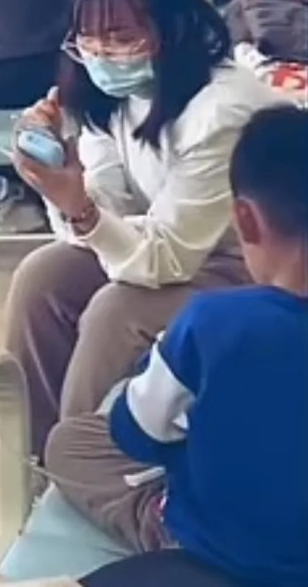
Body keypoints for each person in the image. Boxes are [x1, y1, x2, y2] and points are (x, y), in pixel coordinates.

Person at [3, 0, 283, 462]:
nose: (102, 53)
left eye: (121, 36)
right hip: (172, 245)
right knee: (42, 277)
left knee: (118, 311)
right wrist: (69, 187)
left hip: (257, 266)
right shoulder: (111, 93)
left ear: (172, 27)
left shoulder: (221, 111)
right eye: (87, 37)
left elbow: (167, 257)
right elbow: (104, 207)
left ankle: (80, 469)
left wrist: (79, 208)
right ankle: (33, 461)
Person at [45, 105, 306, 587]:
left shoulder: (211, 326)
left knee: (71, 442)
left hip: (225, 552)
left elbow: (138, 434)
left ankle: (159, 521)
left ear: (244, 221)